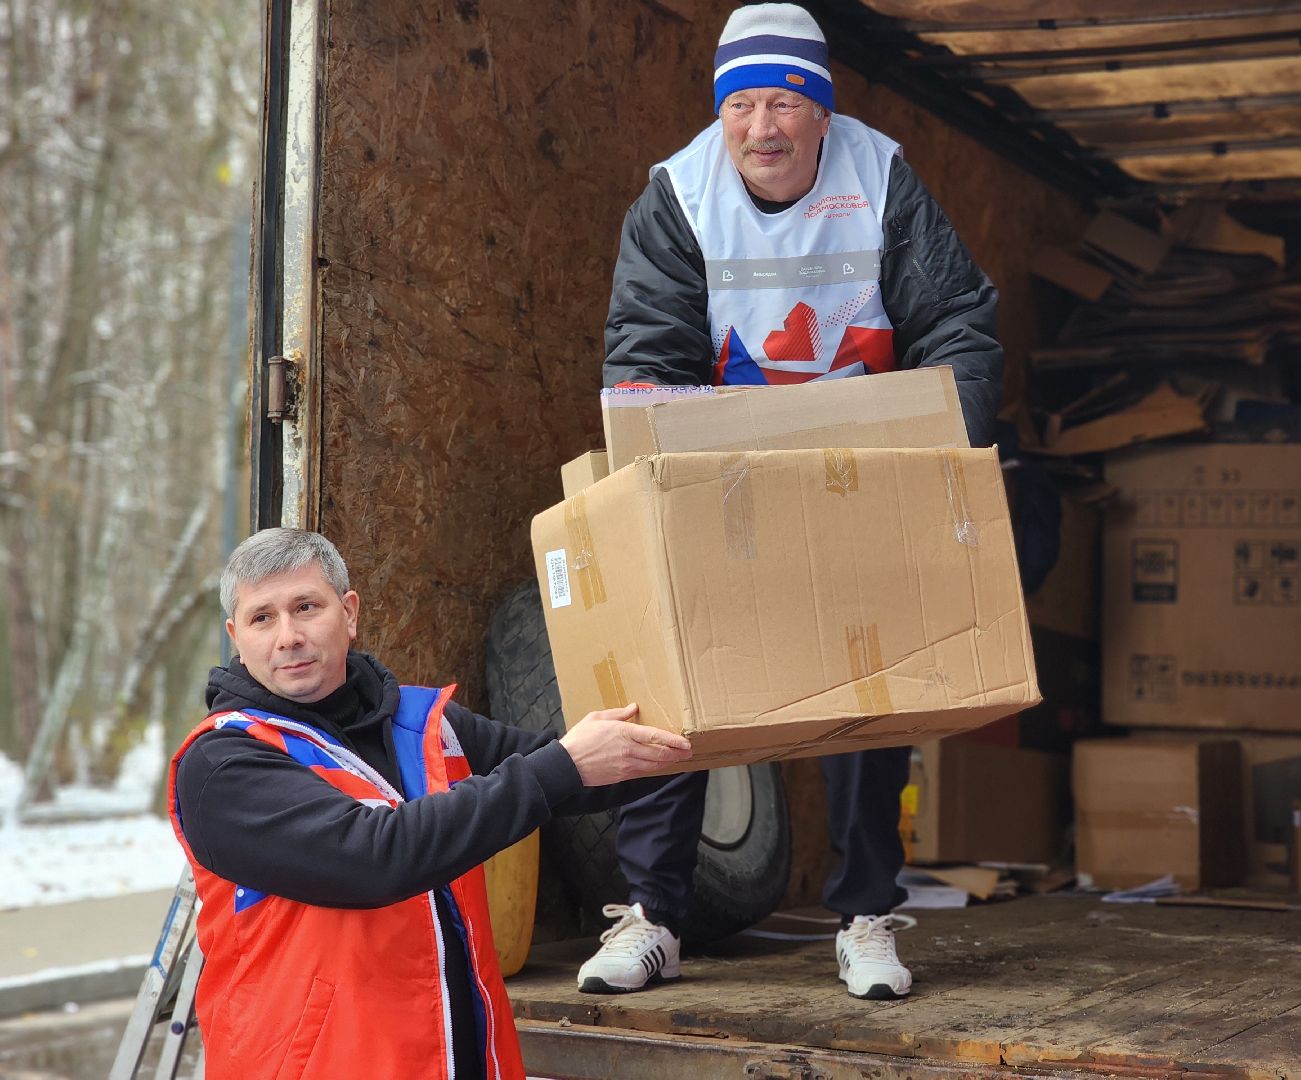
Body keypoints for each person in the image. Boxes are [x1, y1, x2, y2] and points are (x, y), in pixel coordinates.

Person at [583, 2, 1003, 1001]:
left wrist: (941, 447)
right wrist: (674, 468)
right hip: (726, 466)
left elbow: (956, 317)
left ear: (821, 112)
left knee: (869, 683)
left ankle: (863, 916)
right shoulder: (676, 197)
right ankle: (655, 917)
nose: (761, 128)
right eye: (742, 105)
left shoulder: (882, 178)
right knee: (675, 669)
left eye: (783, 103)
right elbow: (643, 355)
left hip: (857, 460)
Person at [168, 528, 692, 1079]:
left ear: (349, 613)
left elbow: (587, 773)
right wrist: (562, 766)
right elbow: (372, 858)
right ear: (236, 635)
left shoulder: (426, 725)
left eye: (306, 607)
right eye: (262, 618)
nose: (288, 636)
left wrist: (717, 737)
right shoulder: (224, 763)